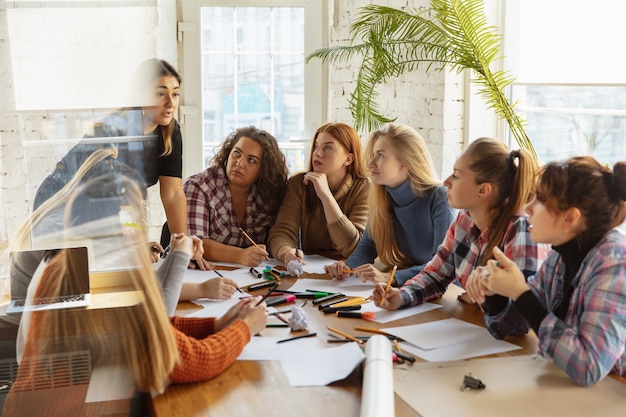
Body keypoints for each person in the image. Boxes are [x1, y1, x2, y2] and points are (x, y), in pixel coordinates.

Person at [3, 172, 268, 417]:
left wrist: (215, 324)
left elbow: (145, 323)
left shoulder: (66, 266)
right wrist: (245, 327)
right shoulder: (106, 288)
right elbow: (196, 359)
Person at [31, 58, 210, 270]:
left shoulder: (169, 131)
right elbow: (116, 200)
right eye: (160, 94)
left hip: (97, 214)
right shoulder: (112, 132)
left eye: (175, 93)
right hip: (59, 213)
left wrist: (182, 247)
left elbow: (172, 194)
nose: (170, 103)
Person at [465, 156, 626, 387]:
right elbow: (516, 326)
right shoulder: (559, 256)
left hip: (614, 390)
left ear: (570, 217)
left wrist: (520, 292)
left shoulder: (615, 262)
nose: (528, 207)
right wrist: (494, 290)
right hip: (574, 386)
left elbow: (588, 366)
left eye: (539, 199)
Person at [373, 137, 547, 310]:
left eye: (456, 175)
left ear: (484, 189)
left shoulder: (522, 230)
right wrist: (401, 297)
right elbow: (435, 275)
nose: (446, 182)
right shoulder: (465, 219)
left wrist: (483, 299)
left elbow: (523, 311)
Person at [325, 123, 455, 285]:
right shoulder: (382, 196)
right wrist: (346, 268)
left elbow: (443, 266)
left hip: (446, 290)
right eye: (373, 155)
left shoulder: (440, 198)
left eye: (380, 155)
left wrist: (389, 277)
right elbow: (367, 247)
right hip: (413, 286)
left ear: (405, 161)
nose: (371, 163)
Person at [183, 126, 289, 267]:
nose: (239, 163)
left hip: (253, 277)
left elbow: (278, 235)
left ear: (264, 169)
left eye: (251, 160)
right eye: (237, 154)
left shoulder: (269, 192)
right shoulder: (199, 186)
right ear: (228, 154)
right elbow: (195, 242)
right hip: (208, 275)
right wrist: (240, 256)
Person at [268, 122, 370, 264]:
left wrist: (326, 196)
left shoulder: (364, 188)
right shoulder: (299, 183)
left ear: (348, 159)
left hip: (348, 270)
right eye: (316, 146)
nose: (317, 153)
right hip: (311, 269)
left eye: (328, 147)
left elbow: (354, 248)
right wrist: (286, 252)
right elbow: (282, 231)